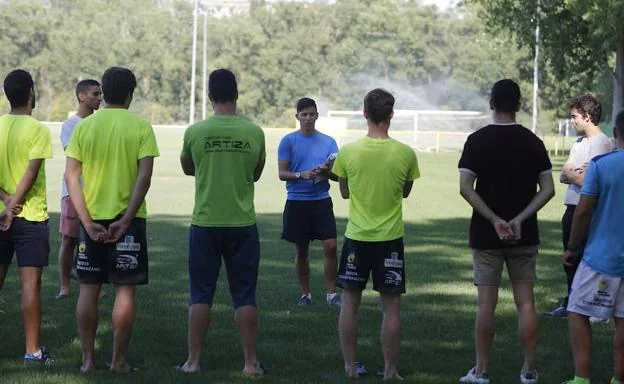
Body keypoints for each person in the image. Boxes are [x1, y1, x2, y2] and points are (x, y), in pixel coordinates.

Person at [458, 79, 554, 384]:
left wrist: (494, 219)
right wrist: (520, 218)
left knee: (486, 304)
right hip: (524, 236)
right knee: (526, 303)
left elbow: (465, 188)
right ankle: (528, 371)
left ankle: (482, 370)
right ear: (519, 104)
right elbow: (548, 189)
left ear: (491, 103)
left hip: (487, 236)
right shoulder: (533, 141)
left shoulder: (477, 140)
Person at [65, 66, 159, 373]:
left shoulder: (84, 127)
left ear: (104, 92)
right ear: (131, 93)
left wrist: (86, 221)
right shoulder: (141, 126)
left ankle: (88, 361)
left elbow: (71, 176)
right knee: (124, 291)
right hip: (127, 221)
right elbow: (144, 177)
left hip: (91, 217)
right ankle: (118, 361)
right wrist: (126, 219)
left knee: (88, 289)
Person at [177, 69, 266, 375]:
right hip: (242, 223)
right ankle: (251, 362)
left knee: (201, 293)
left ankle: (194, 361)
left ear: (211, 96)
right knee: (244, 294)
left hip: (205, 222)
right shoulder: (254, 132)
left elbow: (189, 168)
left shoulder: (195, 132)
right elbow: (256, 172)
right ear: (236, 94)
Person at [333, 88, 419, 380]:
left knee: (349, 303)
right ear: (391, 115)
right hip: (390, 240)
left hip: (357, 238)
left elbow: (344, 192)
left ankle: (349, 367)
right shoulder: (406, 153)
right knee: (391, 307)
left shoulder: (347, 152)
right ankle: (391, 371)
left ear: (365, 113)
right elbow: (405, 191)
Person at [561, 110, 624, 384]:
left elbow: (583, 210)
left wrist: (572, 248)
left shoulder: (601, 165)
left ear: (617, 133)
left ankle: (581, 379)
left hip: (602, 255)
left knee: (577, 310)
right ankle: (619, 379)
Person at [0, 69, 54, 366]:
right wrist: (14, 205)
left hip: (2, 215)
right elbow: (31, 173)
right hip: (29, 217)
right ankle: (33, 351)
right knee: (29, 286)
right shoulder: (37, 129)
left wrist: (5, 200)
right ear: (31, 91)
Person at [545, 94, 613, 318]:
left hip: (589, 209)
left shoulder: (602, 143)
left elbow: (590, 180)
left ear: (587, 116)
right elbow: (565, 175)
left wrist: (577, 175)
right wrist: (577, 174)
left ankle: (592, 307)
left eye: (574, 116)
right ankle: (572, 303)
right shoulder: (578, 143)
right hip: (571, 208)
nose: (571, 120)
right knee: (570, 257)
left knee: (587, 258)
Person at [278, 97, 341, 307]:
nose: (308, 118)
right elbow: (282, 173)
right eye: (303, 114)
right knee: (301, 250)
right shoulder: (288, 141)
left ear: (317, 116)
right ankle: (305, 295)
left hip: (322, 201)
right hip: (297, 202)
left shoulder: (329, 142)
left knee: (331, 246)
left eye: (312, 114)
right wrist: (301, 175)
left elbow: (339, 177)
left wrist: (327, 171)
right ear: (297, 117)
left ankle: (332, 294)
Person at [56, 79, 101, 299]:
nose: (99, 98)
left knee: (94, 238)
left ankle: (94, 283)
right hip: (73, 191)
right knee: (69, 239)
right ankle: (65, 285)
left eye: (100, 94)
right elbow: (74, 157)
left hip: (96, 191)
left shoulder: (100, 123)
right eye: (95, 94)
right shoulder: (70, 125)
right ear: (81, 96)